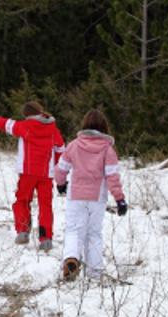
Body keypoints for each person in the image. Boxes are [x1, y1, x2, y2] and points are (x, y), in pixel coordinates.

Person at [0, 101, 65, 251]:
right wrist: (58, 169)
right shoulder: (53, 129)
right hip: (46, 174)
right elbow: (60, 149)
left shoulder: (24, 126)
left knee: (22, 200)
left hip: (28, 172)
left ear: (26, 115)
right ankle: (46, 239)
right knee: (45, 206)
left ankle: (23, 231)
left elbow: (3, 123)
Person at [53, 109, 127, 281]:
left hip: (76, 196)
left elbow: (60, 168)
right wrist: (120, 199)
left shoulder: (74, 145)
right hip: (97, 198)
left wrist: (61, 184)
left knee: (73, 230)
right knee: (94, 233)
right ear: (104, 127)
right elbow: (112, 176)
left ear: (84, 126)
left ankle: (71, 258)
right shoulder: (108, 150)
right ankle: (94, 272)